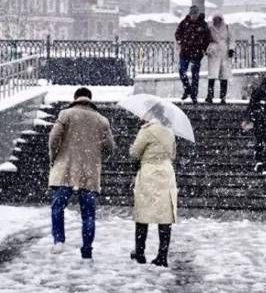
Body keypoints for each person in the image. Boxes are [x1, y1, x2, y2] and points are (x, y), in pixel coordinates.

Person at [48, 87, 115, 260]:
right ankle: (87, 249)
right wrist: (96, 158)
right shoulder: (102, 120)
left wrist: (54, 156)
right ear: (90, 99)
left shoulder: (66, 114)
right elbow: (110, 147)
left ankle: (59, 240)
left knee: (58, 206)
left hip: (66, 169)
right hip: (89, 172)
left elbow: (53, 138)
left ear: (75, 98)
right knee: (88, 213)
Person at [128, 103, 178, 268]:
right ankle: (162, 256)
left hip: (149, 172)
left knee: (143, 213)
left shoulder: (147, 130)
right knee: (165, 215)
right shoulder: (170, 131)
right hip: (166, 172)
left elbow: (135, 153)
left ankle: (140, 253)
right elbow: (172, 154)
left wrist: (132, 148)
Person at [175, 6, 211, 104]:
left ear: (198, 14)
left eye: (195, 14)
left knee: (195, 74)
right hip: (185, 51)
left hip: (197, 52)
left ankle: (194, 95)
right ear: (190, 14)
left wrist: (203, 48)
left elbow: (207, 38)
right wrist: (181, 41)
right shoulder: (184, 23)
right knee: (182, 70)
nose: (194, 16)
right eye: (192, 14)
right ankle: (187, 89)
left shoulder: (203, 24)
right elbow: (177, 33)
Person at [205, 14, 235, 104]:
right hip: (214, 53)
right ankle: (210, 96)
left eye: (218, 20)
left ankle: (223, 97)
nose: (217, 22)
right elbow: (206, 39)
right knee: (212, 75)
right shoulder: (210, 28)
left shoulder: (227, 27)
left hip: (224, 53)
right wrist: (207, 48)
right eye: (215, 20)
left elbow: (231, 39)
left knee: (224, 76)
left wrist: (231, 49)